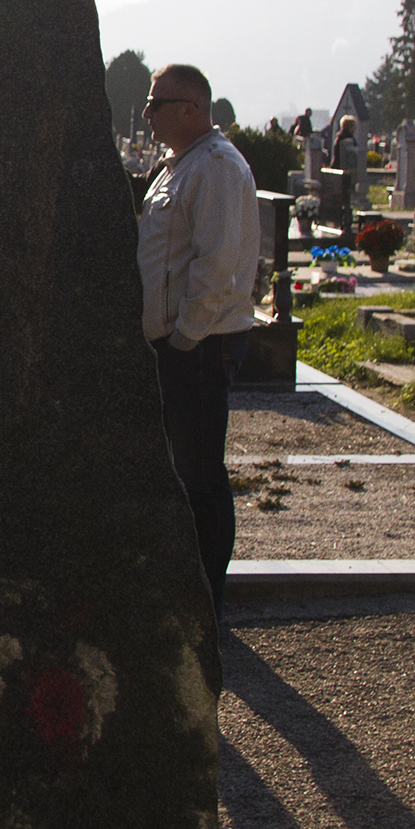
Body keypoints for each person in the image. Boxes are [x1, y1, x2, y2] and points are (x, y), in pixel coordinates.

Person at [135, 65, 259, 617]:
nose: (147, 113)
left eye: (156, 103)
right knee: (183, 473)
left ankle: (207, 603)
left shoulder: (215, 167)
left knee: (201, 475)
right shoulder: (180, 165)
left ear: (191, 108)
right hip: (179, 343)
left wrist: (185, 335)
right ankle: (189, 595)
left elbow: (217, 264)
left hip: (201, 345)